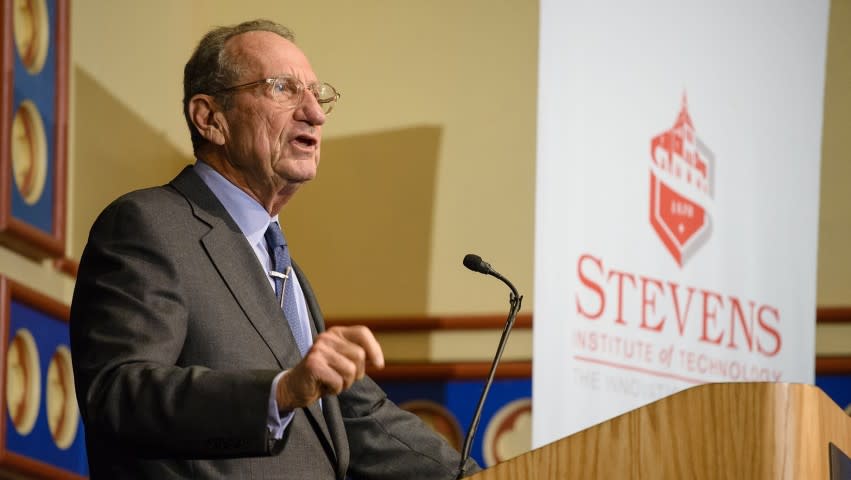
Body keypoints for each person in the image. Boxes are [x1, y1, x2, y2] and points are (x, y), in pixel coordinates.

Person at [70, 19, 480, 479]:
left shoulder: (282, 266)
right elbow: (120, 392)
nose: (315, 114)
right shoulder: (149, 225)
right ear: (210, 118)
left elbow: (360, 419)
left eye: (317, 95)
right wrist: (281, 391)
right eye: (283, 89)